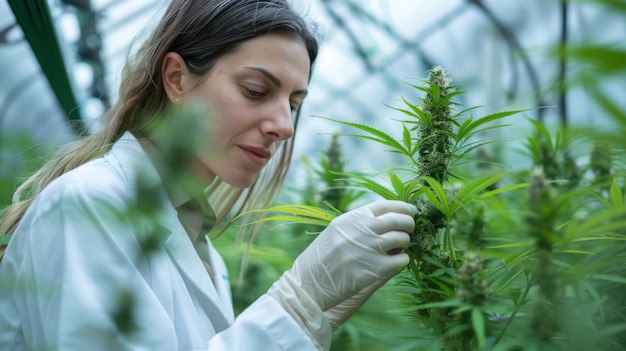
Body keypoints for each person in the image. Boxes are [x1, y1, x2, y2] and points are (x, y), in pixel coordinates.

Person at [0, 0, 416, 350]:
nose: (285, 126)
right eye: (256, 90)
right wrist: (296, 304)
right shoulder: (88, 204)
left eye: (293, 102)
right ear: (177, 79)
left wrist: (312, 321)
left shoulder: (197, 242)